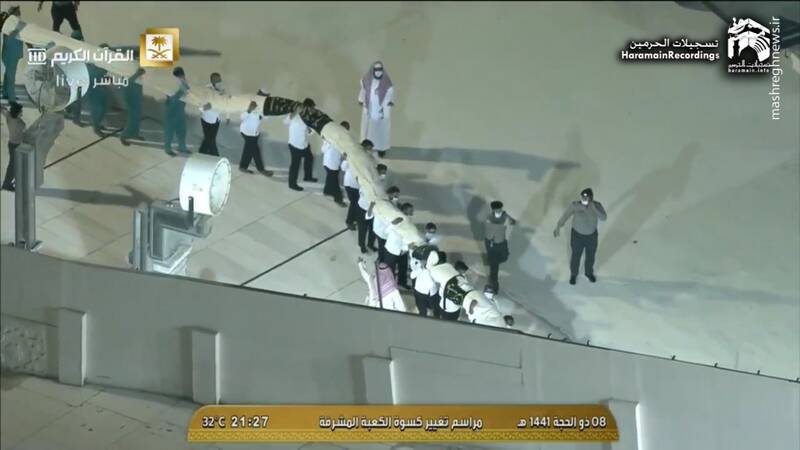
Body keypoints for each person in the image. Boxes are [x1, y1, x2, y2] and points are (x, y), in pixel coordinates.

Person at [554, 188, 607, 285]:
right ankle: (573, 274)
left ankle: (589, 273)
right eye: (582, 197)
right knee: (576, 255)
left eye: (586, 198)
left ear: (591, 198)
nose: (583, 200)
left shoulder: (597, 205)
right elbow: (565, 215)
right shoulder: (575, 205)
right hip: (577, 236)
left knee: (590, 256)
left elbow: (603, 218)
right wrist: (558, 226)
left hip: (591, 237)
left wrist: (594, 208)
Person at [358, 61, 394, 158]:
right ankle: (365, 146)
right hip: (369, 109)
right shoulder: (366, 80)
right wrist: (361, 99)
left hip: (381, 111)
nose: (378, 71)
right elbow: (363, 91)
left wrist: (386, 105)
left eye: (380, 69)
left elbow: (389, 95)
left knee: (381, 131)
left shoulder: (387, 83)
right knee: (368, 130)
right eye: (376, 69)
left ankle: (381, 148)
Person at [284, 98, 317, 191]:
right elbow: (285, 122)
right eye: (312, 108)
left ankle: (307, 176)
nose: (313, 109)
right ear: (307, 107)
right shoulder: (294, 114)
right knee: (295, 165)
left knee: (309, 158)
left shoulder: (308, 117)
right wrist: (294, 113)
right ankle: (292, 184)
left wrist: (310, 129)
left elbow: (311, 132)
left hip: (304, 144)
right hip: (295, 145)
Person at [484, 201, 517, 290]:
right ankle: (494, 286)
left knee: (504, 257)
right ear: (494, 210)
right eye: (497, 209)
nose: (499, 210)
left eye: (500, 209)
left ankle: (491, 260)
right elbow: (489, 233)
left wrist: (511, 221)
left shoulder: (504, 215)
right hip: (492, 243)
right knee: (494, 268)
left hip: (501, 242)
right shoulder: (489, 218)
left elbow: (513, 222)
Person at [383, 203, 414, 288]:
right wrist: (393, 224)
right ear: (405, 210)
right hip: (392, 250)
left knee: (403, 267)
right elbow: (387, 232)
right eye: (410, 210)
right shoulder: (397, 220)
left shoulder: (408, 219)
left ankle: (402, 282)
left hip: (402, 250)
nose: (412, 212)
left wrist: (406, 249)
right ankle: (391, 286)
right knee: (390, 269)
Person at [239, 101, 273, 176]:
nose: (254, 106)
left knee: (249, 150)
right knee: (255, 151)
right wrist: (249, 110)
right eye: (252, 105)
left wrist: (265, 110)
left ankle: (243, 167)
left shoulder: (259, 110)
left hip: (255, 134)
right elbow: (242, 117)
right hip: (247, 133)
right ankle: (261, 169)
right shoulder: (247, 110)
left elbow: (266, 117)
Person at [86, 44, 112, 136]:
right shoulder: (92, 61)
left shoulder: (105, 62)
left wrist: (106, 78)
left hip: (101, 87)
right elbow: (91, 74)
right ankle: (96, 128)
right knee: (96, 109)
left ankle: (98, 124)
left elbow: (102, 74)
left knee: (104, 108)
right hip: (93, 88)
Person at [163, 67, 190, 156]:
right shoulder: (174, 83)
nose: (182, 76)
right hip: (173, 107)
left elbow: (187, 92)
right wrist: (181, 93)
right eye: (181, 74)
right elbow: (170, 96)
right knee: (170, 129)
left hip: (180, 107)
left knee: (181, 129)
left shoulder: (184, 82)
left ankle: (182, 147)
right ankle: (167, 148)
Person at [322, 121, 348, 207]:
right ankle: (338, 199)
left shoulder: (331, 136)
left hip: (327, 162)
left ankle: (327, 191)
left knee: (330, 177)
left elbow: (323, 149)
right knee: (335, 182)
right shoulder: (340, 138)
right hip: (332, 163)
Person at [1, 6, 23, 102]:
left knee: (8, 75)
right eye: (18, 12)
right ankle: (12, 99)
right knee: (11, 77)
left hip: (10, 54)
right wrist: (17, 30)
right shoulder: (11, 25)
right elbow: (8, 41)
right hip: (11, 55)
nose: (20, 14)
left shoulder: (12, 24)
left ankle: (6, 93)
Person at [1, 102, 25, 191]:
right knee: (13, 166)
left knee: (14, 164)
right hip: (17, 146)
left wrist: (2, 107)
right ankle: (7, 184)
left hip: (11, 144)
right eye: (21, 112)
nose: (22, 113)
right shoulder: (20, 124)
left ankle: (9, 182)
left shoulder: (9, 116)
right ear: (17, 113)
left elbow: (3, 110)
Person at [410, 249, 440, 317]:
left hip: (432, 292)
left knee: (436, 309)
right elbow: (412, 275)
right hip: (420, 292)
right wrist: (421, 268)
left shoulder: (436, 269)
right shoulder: (419, 265)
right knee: (422, 311)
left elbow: (437, 280)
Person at [120, 67, 145, 146]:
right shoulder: (128, 75)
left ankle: (135, 134)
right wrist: (138, 73)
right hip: (132, 101)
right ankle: (123, 136)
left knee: (136, 119)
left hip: (136, 99)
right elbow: (128, 82)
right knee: (132, 120)